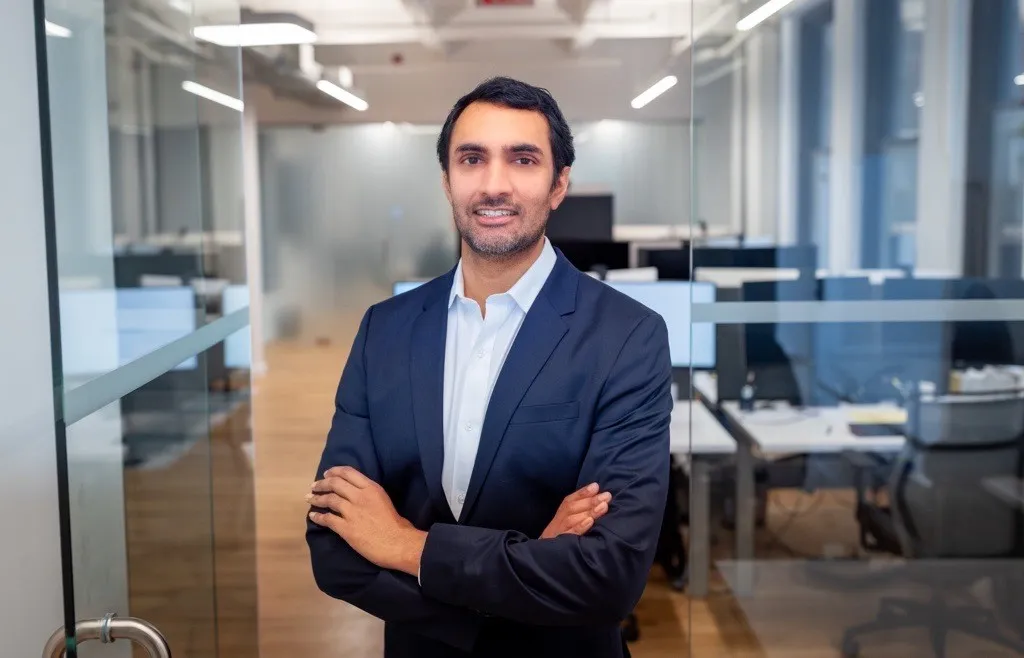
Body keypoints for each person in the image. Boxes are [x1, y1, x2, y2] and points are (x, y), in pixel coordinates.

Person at [305, 76, 673, 658]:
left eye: (523, 159)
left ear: (559, 185)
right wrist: (529, 571)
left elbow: (608, 576)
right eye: (472, 159)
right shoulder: (385, 330)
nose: (494, 184)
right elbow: (333, 550)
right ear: (448, 181)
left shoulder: (626, 336)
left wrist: (403, 544)